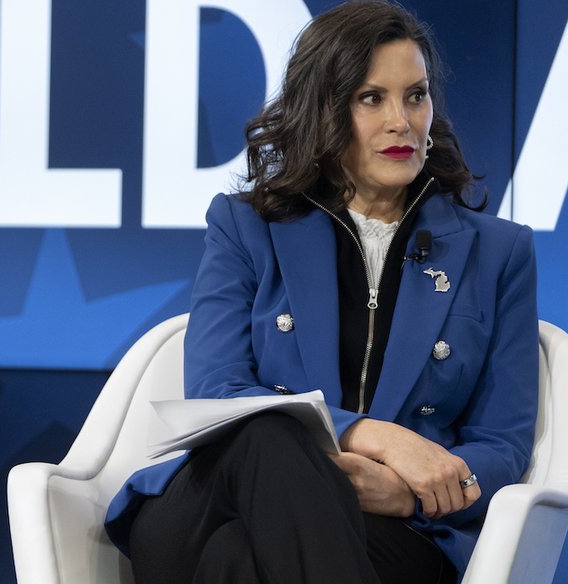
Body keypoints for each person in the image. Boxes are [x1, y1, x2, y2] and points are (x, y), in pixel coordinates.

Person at [103, 1, 539, 583]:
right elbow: (217, 390)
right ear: (324, 110)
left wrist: (405, 494)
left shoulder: (499, 252)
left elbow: (503, 444)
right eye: (370, 98)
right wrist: (372, 437)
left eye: (416, 95)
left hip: (391, 527)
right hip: (211, 503)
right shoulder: (246, 226)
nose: (402, 122)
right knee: (265, 429)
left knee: (234, 559)